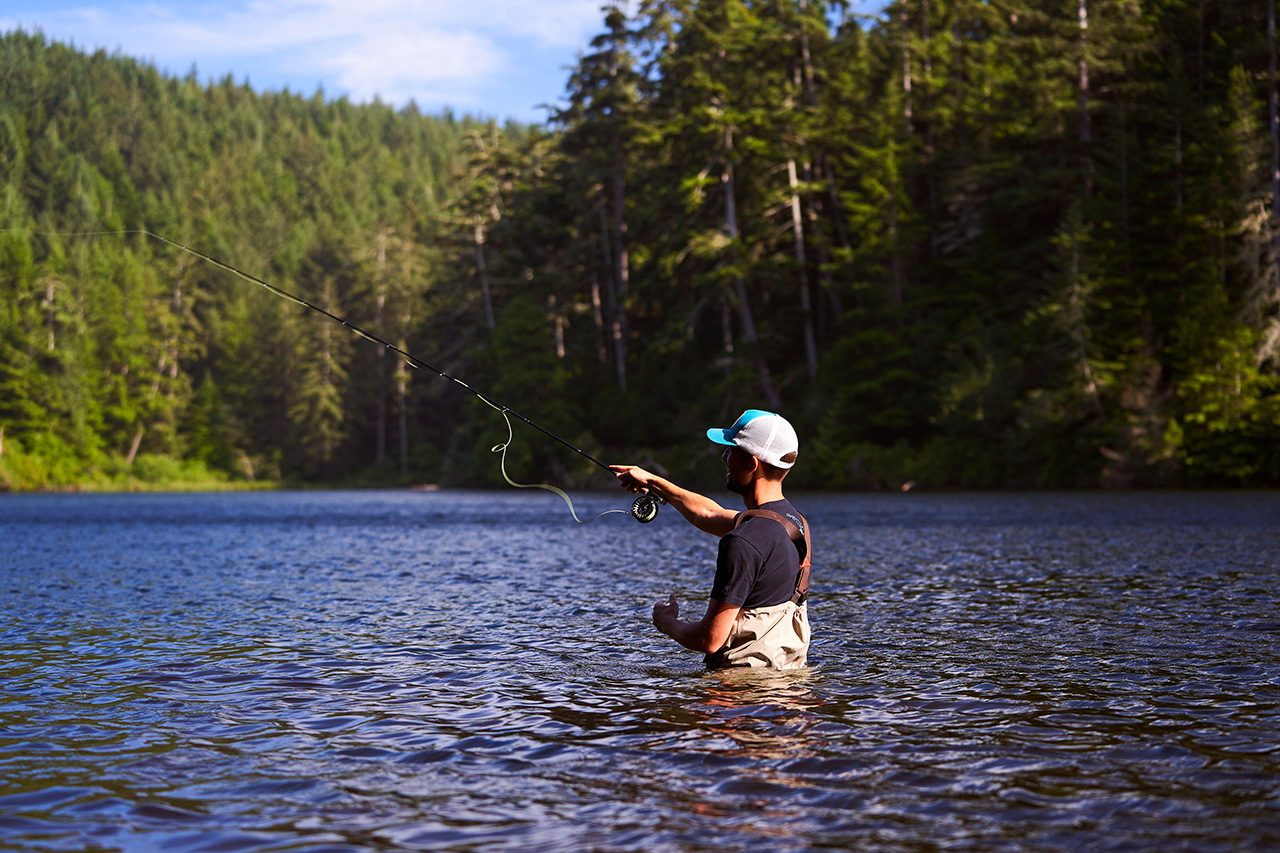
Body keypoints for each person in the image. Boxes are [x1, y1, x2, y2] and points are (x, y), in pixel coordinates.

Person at [610, 409, 811, 670]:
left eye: (731, 450)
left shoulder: (743, 541)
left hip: (744, 692)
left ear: (752, 464)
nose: (724, 457)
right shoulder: (794, 523)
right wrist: (652, 481)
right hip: (789, 685)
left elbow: (709, 639)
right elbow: (708, 513)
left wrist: (667, 623)